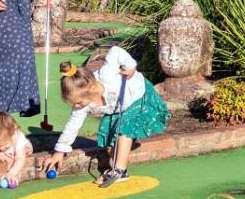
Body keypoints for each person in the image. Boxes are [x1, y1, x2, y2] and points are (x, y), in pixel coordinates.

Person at [40, 47, 169, 187]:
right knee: (108, 139)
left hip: (138, 97)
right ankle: (117, 165)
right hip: (119, 109)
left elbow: (115, 51)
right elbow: (72, 126)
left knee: (125, 127)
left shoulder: (107, 75)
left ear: (90, 90)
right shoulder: (83, 104)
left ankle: (120, 171)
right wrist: (59, 152)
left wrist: (130, 67)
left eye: (78, 102)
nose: (76, 106)